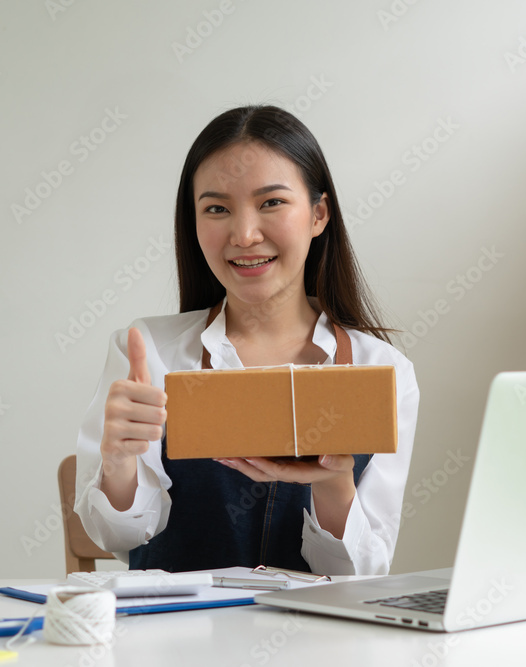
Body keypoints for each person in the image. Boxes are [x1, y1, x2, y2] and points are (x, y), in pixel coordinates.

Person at [74, 105, 419, 576]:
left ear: (318, 214)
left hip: (316, 644)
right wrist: (117, 461)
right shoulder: (148, 351)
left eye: (271, 202)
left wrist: (336, 483)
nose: (244, 234)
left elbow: (357, 576)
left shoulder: (382, 371)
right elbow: (123, 537)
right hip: (176, 642)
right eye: (217, 208)